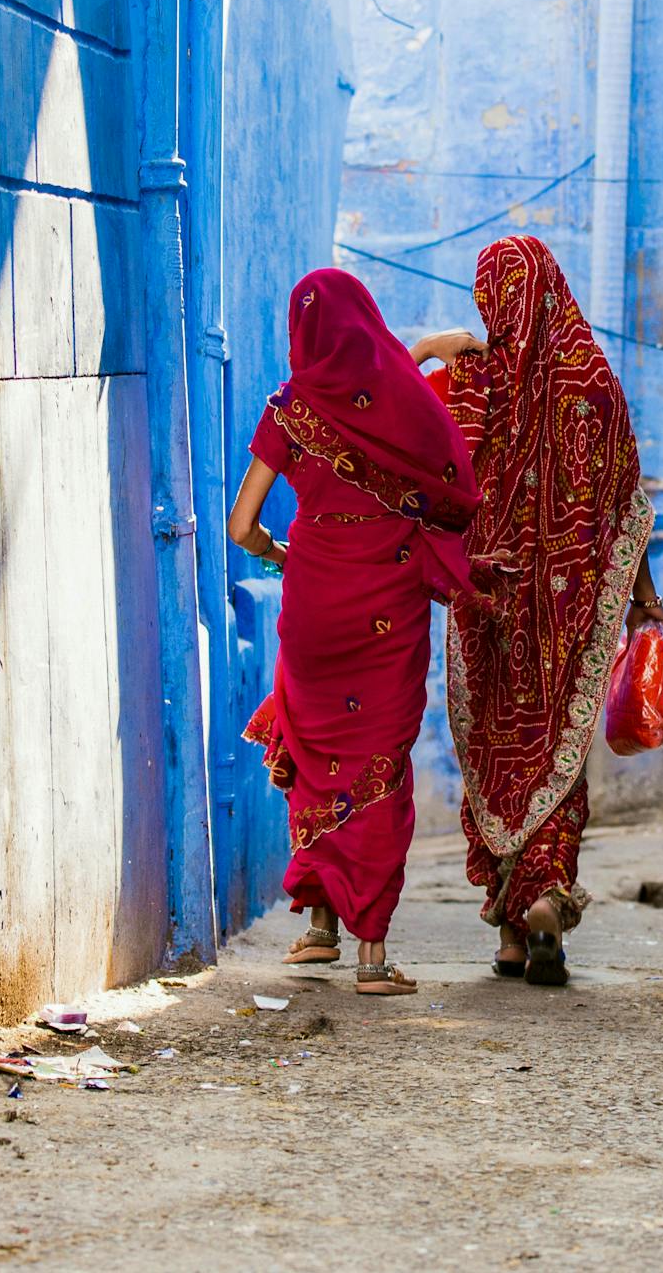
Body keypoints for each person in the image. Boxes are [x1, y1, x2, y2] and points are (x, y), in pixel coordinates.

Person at [412, 236, 663, 987]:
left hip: (487, 604)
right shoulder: (594, 383)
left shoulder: (474, 381)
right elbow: (628, 508)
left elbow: (421, 454)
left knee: (498, 753)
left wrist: (436, 346)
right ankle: (547, 896)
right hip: (568, 612)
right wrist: (642, 595)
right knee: (556, 755)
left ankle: (511, 935)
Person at [228, 268, 481, 997]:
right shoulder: (397, 401)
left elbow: (242, 526)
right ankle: (372, 957)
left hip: (312, 599)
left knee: (316, 754)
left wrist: (285, 554)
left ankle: (317, 929)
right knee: (377, 759)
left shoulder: (287, 410)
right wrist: (434, 350)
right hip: (386, 600)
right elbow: (431, 445)